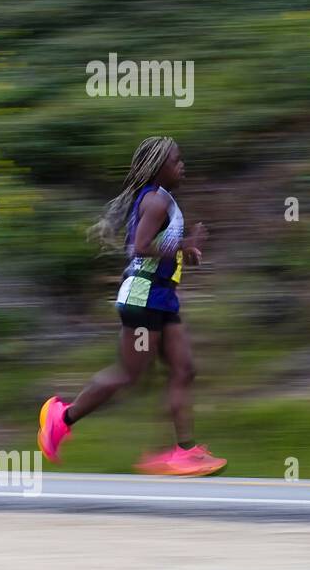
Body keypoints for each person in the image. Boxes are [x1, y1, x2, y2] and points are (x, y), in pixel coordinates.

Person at [38, 136, 225, 476]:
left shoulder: (163, 200)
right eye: (176, 160)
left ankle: (183, 451)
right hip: (142, 300)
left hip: (163, 298)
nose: (182, 165)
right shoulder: (155, 201)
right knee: (129, 375)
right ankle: (61, 418)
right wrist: (186, 243)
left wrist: (186, 253)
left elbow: (157, 247)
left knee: (184, 369)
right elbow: (140, 247)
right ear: (158, 168)